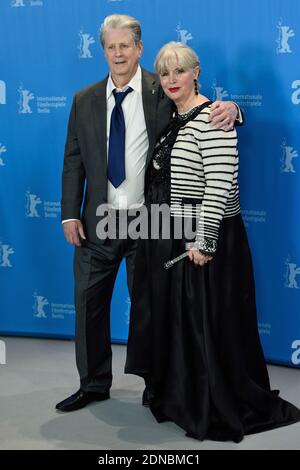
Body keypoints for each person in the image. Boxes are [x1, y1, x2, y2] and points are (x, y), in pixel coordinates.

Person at [56, 14, 241, 413]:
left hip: (150, 222)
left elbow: (201, 110)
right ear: (102, 51)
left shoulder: (163, 88)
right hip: (98, 221)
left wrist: (234, 108)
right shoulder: (83, 99)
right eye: (111, 46)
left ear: (139, 48)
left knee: (150, 308)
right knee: (88, 304)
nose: (118, 53)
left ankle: (155, 385)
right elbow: (73, 160)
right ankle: (93, 383)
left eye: (126, 46)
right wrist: (69, 213)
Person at [125, 41, 300, 442]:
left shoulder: (214, 119)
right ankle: (181, 397)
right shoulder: (174, 116)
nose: (171, 80)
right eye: (165, 73)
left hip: (207, 236)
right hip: (172, 231)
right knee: (182, 323)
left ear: (196, 71)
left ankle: (210, 403)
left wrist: (205, 242)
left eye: (179, 71)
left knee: (207, 324)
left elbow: (219, 186)